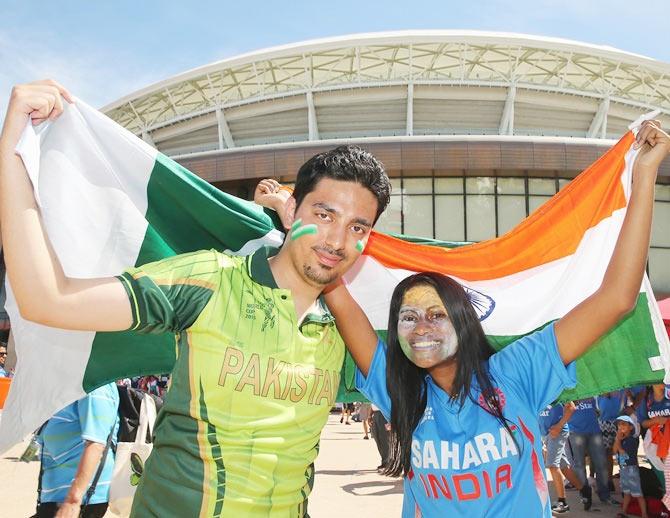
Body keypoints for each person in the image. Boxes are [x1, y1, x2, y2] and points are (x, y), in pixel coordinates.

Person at [0, 80, 391, 516]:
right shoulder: (209, 280)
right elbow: (48, 299)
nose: (337, 239)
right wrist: (13, 148)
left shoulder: (348, 331)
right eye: (323, 214)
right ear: (294, 209)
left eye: (357, 227)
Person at [321, 120, 669, 516]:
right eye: (408, 317)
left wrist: (644, 177)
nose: (421, 327)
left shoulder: (517, 371)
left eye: (436, 314)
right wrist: (302, 223)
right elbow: (336, 290)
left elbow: (616, 299)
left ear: (462, 321)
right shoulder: (400, 391)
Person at [35, 383, 119, 518]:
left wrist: (73, 500)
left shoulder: (95, 387)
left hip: (78, 499)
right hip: (56, 494)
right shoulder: (73, 385)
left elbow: (96, 443)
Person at [539, 401, 590, 513]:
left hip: (558, 432)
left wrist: (559, 426)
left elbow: (571, 407)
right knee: (563, 467)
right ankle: (584, 489)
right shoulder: (537, 389)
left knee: (552, 465)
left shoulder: (556, 388)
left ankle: (562, 503)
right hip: (546, 433)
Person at [568, 397, 614, 505]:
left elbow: (598, 407)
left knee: (601, 464)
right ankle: (585, 495)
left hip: (594, 430)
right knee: (579, 465)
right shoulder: (567, 387)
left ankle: (605, 495)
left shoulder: (590, 385)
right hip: (575, 430)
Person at [614, 415, 649, 518]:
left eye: (624, 424)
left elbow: (622, 451)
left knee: (638, 493)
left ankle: (644, 514)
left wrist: (618, 440)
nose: (620, 426)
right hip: (624, 469)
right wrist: (618, 439)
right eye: (619, 424)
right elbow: (614, 450)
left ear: (631, 427)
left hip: (631, 470)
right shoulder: (621, 439)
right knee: (626, 492)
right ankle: (624, 511)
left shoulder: (632, 440)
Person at [641, 383, 670, 508]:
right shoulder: (647, 399)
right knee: (665, 481)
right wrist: (657, 421)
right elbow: (643, 423)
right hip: (656, 448)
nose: (663, 381)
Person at [597, 390, 626, 490]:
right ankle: (609, 480)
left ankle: (625, 479)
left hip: (619, 422)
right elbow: (597, 410)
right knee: (607, 453)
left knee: (621, 451)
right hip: (604, 423)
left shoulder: (620, 390)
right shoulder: (599, 392)